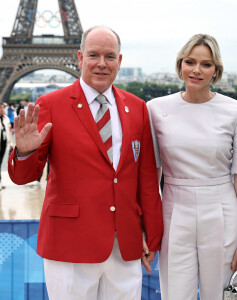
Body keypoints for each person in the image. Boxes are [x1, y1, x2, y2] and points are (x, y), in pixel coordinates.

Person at [8, 26, 163, 300]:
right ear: (79, 58)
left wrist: (152, 235)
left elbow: (147, 178)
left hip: (124, 245)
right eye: (93, 55)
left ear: (120, 61)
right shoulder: (51, 105)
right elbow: (24, 177)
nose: (101, 63)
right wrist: (24, 153)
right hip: (70, 244)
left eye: (109, 56)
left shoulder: (137, 107)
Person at [147, 33, 237, 300]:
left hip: (222, 212)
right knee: (174, 295)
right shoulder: (155, 109)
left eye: (206, 64)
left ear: (215, 70)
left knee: (220, 295)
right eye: (190, 62)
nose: (196, 70)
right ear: (180, 64)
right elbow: (151, 175)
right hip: (172, 210)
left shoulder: (236, 112)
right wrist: (146, 227)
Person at [0, 102, 13, 189]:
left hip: (4, 144)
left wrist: (11, 144)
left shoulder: (6, 119)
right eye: (0, 108)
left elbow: (10, 131)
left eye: (3, 108)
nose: (2, 110)